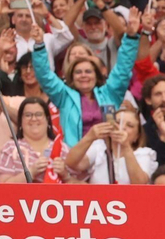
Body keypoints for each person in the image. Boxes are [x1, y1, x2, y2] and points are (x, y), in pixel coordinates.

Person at [31, 8, 143, 145]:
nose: (83, 75)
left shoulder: (109, 93)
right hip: (75, 158)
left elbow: (123, 69)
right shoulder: (64, 96)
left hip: (107, 157)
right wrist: (39, 45)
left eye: (88, 72)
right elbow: (44, 75)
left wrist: (131, 37)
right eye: (78, 72)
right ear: (72, 76)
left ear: (97, 75)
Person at [0, 96, 67, 183]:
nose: (33, 119)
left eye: (39, 114)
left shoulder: (62, 148)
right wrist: (31, 172)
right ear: (20, 121)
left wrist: (65, 175)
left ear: (48, 119)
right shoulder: (10, 148)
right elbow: (3, 187)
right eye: (28, 115)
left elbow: (77, 185)